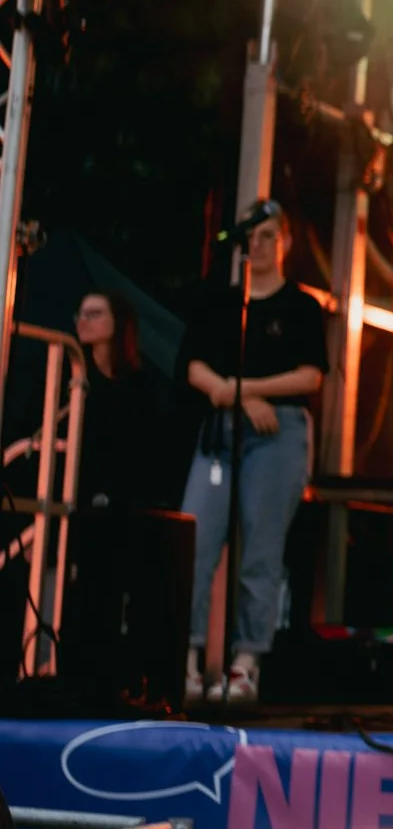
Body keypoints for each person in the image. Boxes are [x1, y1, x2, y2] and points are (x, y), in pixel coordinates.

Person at [176, 203, 328, 706]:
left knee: (260, 550)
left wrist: (243, 388)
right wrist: (239, 395)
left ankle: (247, 661)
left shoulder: (301, 306)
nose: (258, 246)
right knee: (197, 539)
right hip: (222, 430)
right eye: (252, 238)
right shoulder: (222, 305)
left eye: (267, 236)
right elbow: (193, 365)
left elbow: (311, 376)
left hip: (276, 430)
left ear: (283, 241)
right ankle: (188, 656)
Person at [72, 289, 181, 513]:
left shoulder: (142, 384)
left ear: (119, 321)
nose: (84, 321)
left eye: (94, 314)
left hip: (125, 499)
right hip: (76, 489)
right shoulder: (71, 372)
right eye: (81, 315)